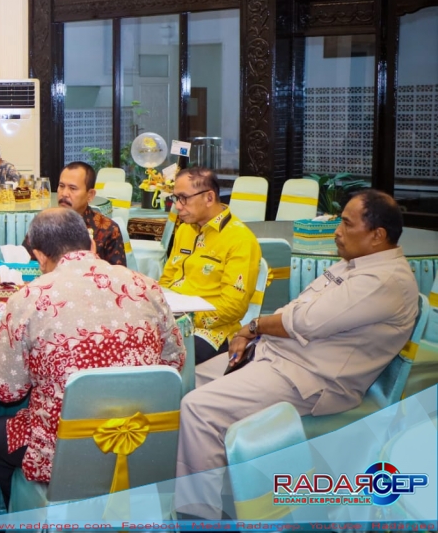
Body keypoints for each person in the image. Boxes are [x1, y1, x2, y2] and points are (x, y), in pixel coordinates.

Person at [175, 190, 419, 520]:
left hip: (310, 378)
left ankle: (197, 516)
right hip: (279, 357)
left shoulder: (383, 280)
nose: (337, 231)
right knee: (181, 384)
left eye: (346, 224)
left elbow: (305, 322)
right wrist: (256, 334)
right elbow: (299, 307)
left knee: (199, 407)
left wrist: (253, 327)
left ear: (378, 236)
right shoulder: (355, 265)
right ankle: (222, 487)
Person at [0, 208, 185, 507]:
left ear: (39, 256)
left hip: (64, 450)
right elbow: (174, 363)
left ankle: (19, 515)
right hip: (143, 439)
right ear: (90, 244)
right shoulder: (146, 286)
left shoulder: (28, 298)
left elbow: (7, 391)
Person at [158, 166, 261, 365]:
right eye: (175, 198)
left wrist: (183, 319)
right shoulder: (184, 230)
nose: (177, 206)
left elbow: (233, 307)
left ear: (209, 198)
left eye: (183, 198)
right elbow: (167, 280)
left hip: (212, 332)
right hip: (172, 320)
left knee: (161, 353)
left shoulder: (239, 239)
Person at [37, 161, 126, 267]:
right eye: (61, 186)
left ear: (90, 195)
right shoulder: (44, 225)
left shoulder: (108, 229)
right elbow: (24, 266)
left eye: (72, 188)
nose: (64, 193)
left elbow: (119, 277)